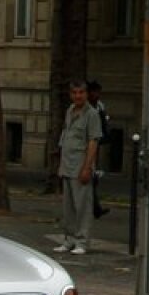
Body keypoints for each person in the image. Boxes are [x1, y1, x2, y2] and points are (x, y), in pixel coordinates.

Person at [55, 80, 103, 255]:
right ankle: (69, 239)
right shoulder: (70, 110)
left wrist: (87, 167)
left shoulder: (92, 114)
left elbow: (93, 142)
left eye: (81, 93)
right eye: (74, 93)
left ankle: (82, 241)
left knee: (82, 206)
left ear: (86, 94)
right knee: (68, 208)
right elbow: (65, 136)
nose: (77, 96)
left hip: (80, 165)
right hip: (67, 164)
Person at [87, 80, 112, 219]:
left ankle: (95, 208)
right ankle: (94, 208)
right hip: (87, 144)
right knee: (90, 176)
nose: (97, 95)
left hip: (95, 142)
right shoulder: (87, 108)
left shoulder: (99, 107)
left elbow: (104, 125)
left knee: (93, 176)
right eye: (95, 92)